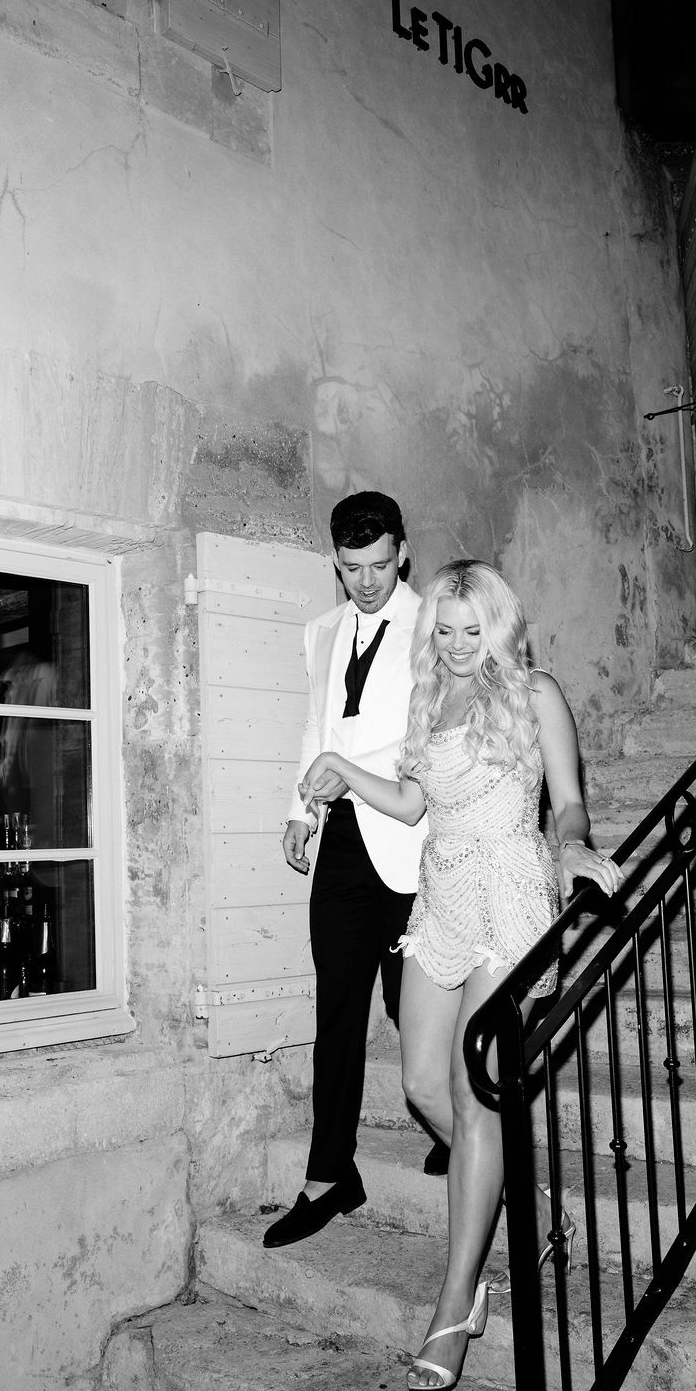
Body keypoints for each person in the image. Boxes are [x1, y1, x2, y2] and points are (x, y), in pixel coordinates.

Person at [300, 560, 624, 1391]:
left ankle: (456, 1303)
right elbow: (413, 803)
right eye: (442, 630)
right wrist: (343, 769)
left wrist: (575, 847)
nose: (453, 644)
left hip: (511, 891)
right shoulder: (427, 696)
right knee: (418, 1083)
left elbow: (568, 799)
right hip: (441, 894)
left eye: (469, 630)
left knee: (472, 1092)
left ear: (500, 628)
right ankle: (506, 1192)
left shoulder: (534, 692)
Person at [263, 492, 431, 1250]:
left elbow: (428, 741)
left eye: (379, 564)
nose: (366, 581)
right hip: (342, 846)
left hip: (416, 842)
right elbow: (316, 727)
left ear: (403, 550)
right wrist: (300, 809)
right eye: (351, 567)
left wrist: (347, 771)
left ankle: (455, 1125)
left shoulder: (438, 625)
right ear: (335, 560)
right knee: (337, 1012)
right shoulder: (320, 632)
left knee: (411, 1005)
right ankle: (330, 1175)